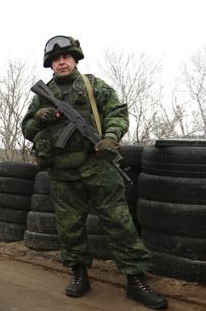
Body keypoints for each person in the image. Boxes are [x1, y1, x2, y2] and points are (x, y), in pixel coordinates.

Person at [21, 36, 168, 310]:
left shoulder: (92, 85)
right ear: (50, 65)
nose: (61, 62)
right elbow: (27, 128)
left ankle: (135, 279)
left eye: (66, 57)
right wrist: (41, 117)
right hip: (62, 172)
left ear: (75, 59)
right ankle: (79, 274)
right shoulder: (42, 95)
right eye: (55, 59)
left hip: (98, 166)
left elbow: (117, 112)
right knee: (70, 228)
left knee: (119, 223)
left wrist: (111, 137)